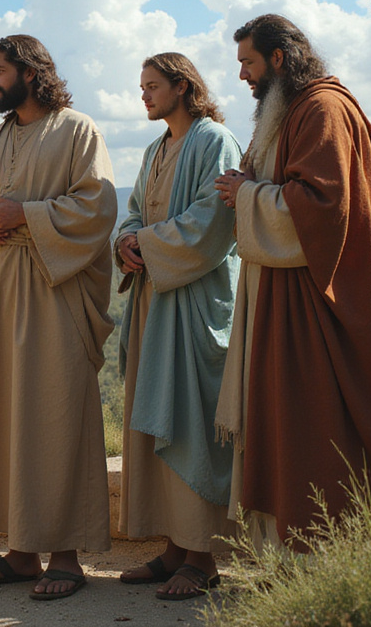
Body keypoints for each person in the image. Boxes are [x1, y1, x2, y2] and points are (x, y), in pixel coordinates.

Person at [213, 13, 371, 546]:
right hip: (287, 294)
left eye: (248, 62)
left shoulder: (322, 109)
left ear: (279, 59)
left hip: (321, 299)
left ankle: (332, 554)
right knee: (298, 421)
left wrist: (245, 193)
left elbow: (322, 206)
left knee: (322, 418)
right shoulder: (289, 110)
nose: (242, 75)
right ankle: (288, 556)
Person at [0, 34, 117, 600]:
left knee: (56, 415)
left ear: (30, 72)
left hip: (53, 293)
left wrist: (27, 214)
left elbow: (97, 205)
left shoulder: (78, 130)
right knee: (6, 416)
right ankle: (21, 553)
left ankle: (66, 556)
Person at [114, 53, 240, 600]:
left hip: (195, 304)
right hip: (153, 303)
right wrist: (125, 239)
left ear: (183, 87)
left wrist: (148, 242)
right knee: (158, 415)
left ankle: (202, 556)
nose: (143, 96)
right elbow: (135, 209)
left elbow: (214, 221)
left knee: (191, 423)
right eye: (141, 87)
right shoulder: (155, 148)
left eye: (152, 86)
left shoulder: (216, 141)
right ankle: (173, 546)